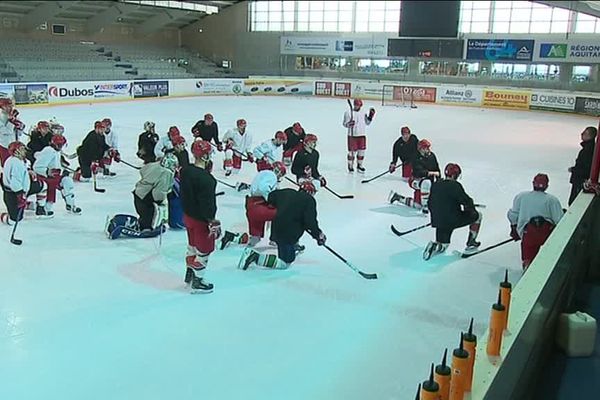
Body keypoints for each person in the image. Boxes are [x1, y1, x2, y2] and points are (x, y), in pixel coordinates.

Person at [238, 181, 326, 270]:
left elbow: (271, 196)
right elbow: (310, 222)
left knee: (284, 252)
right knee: (285, 262)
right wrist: (318, 235)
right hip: (288, 235)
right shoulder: (309, 200)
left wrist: (281, 205)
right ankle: (255, 257)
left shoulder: (286, 192)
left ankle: (292, 247)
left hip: (276, 229)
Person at [180, 139, 221, 293]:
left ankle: (189, 273)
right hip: (201, 221)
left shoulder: (185, 170)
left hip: (188, 217)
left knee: (191, 246)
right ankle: (198, 281)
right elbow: (208, 205)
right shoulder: (207, 180)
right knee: (204, 251)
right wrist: (213, 221)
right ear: (204, 156)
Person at [220, 161, 287, 249]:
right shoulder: (271, 175)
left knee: (255, 239)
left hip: (251, 205)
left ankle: (232, 237)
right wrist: (272, 200)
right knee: (282, 214)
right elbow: (264, 188)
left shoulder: (263, 173)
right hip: (259, 206)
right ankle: (276, 239)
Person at [423, 163, 483, 260]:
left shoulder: (436, 184)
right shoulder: (455, 186)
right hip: (453, 219)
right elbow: (467, 201)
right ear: (455, 175)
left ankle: (435, 246)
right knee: (478, 216)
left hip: (438, 221)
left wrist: (436, 215)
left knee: (443, 245)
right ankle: (471, 243)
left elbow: (430, 203)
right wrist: (470, 209)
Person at [507, 173, 564, 270]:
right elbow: (559, 220)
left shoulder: (521, 197)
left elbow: (512, 215)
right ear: (547, 186)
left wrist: (514, 228)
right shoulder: (552, 200)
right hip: (546, 235)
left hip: (527, 235)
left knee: (528, 255)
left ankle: (527, 266)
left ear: (533, 183)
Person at [33, 134, 81, 215]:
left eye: (62, 144)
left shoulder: (56, 151)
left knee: (67, 182)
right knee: (50, 192)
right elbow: (37, 167)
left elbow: (56, 165)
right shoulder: (49, 151)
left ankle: (71, 205)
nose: (61, 147)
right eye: (59, 145)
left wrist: (63, 171)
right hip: (46, 178)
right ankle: (44, 208)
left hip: (55, 176)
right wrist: (47, 172)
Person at [1, 141, 48, 224]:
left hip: (23, 189)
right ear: (16, 151)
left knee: (42, 185)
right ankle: (3, 216)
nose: (24, 151)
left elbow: (26, 165)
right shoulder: (16, 163)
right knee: (14, 220)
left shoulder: (18, 160)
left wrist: (29, 170)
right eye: (22, 149)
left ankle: (39, 208)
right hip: (13, 194)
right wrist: (20, 196)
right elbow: (15, 183)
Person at [389, 139, 440, 214]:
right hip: (415, 180)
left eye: (428, 148)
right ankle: (425, 206)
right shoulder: (415, 157)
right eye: (426, 148)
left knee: (417, 205)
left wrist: (438, 179)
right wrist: (430, 173)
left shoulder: (432, 156)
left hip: (428, 182)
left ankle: (398, 198)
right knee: (426, 183)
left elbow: (437, 169)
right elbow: (418, 172)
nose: (428, 150)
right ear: (421, 149)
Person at [342, 98, 375, 172]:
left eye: (359, 105)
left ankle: (360, 165)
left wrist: (370, 117)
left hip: (362, 135)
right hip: (352, 135)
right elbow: (344, 124)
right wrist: (349, 124)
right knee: (352, 152)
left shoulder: (363, 113)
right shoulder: (348, 112)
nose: (358, 106)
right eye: (356, 105)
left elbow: (367, 123)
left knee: (362, 151)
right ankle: (350, 165)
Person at [568, 126, 597, 205]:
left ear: (589, 136)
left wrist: (574, 170)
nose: (582, 134)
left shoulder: (587, 150)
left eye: (584, 133)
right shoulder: (590, 148)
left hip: (580, 182)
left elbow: (586, 168)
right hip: (580, 181)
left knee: (573, 202)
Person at [0, 98, 26, 166]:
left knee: (19, 164)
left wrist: (20, 127)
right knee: (7, 165)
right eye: (8, 106)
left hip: (16, 145)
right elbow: (6, 131)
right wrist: (11, 122)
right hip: (5, 146)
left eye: (11, 105)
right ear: (2, 106)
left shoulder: (13, 115)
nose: (10, 107)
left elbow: (20, 133)